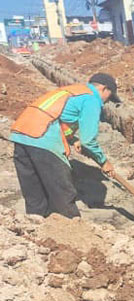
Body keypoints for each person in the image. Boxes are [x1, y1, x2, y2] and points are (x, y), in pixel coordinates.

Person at [10, 73, 119, 219]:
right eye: (109, 97)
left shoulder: (72, 91)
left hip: (21, 135)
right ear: (104, 89)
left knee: (34, 194)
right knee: (62, 194)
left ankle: (37, 226)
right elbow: (88, 141)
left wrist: (73, 140)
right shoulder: (91, 99)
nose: (106, 102)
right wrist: (103, 162)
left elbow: (55, 117)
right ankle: (72, 227)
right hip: (43, 138)